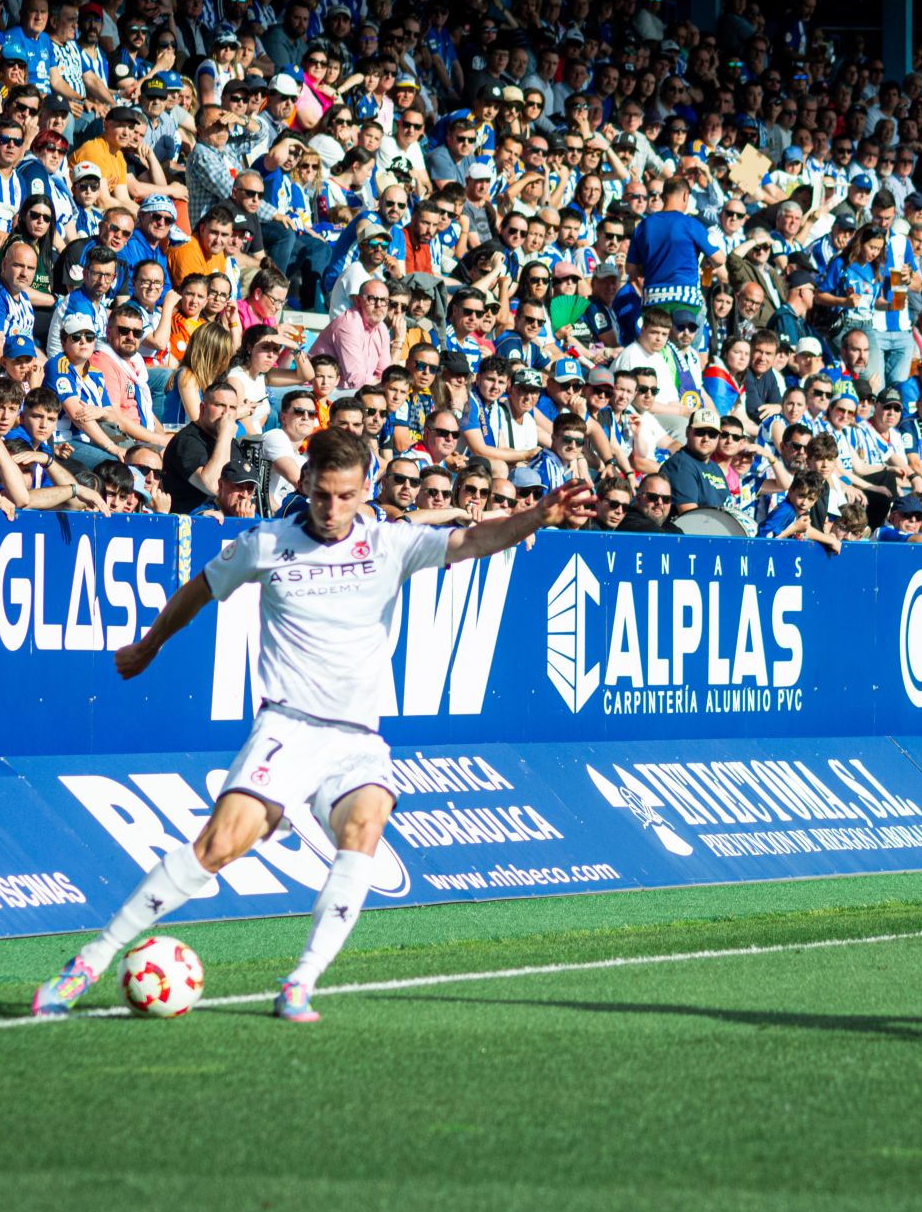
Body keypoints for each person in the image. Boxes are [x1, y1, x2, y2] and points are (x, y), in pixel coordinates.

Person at [33, 427, 596, 1023]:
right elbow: (200, 590)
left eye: (347, 496)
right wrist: (150, 645)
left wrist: (539, 514)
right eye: (324, 494)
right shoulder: (266, 542)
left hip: (356, 739)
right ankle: (87, 964)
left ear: (365, 491)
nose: (333, 509)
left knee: (366, 827)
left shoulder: (391, 543)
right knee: (218, 846)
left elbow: (478, 538)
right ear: (305, 484)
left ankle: (300, 982)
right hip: (288, 727)